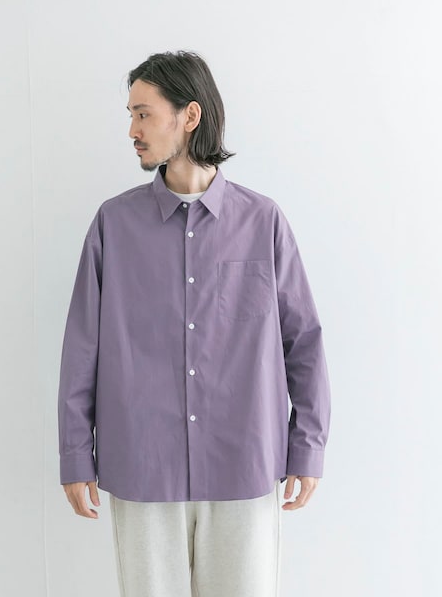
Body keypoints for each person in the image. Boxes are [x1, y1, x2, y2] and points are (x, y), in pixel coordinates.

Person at [57, 50, 331, 597]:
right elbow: (82, 346)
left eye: (143, 114)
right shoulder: (114, 223)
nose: (132, 131)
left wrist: (308, 446)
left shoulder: (262, 221)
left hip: (244, 462)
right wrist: (74, 454)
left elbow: (302, 340)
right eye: (131, 115)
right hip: (142, 465)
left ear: (190, 115)